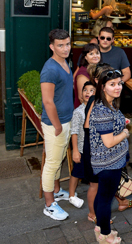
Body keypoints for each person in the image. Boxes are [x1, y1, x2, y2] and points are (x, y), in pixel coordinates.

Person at [89, 67, 130, 243]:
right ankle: (105, 235)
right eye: (112, 84)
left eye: (119, 83)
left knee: (102, 196)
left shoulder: (109, 103)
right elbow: (109, 142)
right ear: (103, 87)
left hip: (112, 161)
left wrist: (120, 123)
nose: (117, 87)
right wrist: (125, 133)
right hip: (108, 163)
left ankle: (99, 227)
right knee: (106, 200)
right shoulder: (102, 110)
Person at [40, 29, 74, 221]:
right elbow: (48, 101)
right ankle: (49, 205)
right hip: (56, 123)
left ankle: (56, 190)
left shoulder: (65, 62)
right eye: (60, 45)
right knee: (52, 163)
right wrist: (57, 125)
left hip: (65, 120)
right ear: (52, 46)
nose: (65, 48)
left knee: (59, 158)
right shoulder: (50, 69)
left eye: (67, 44)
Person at [68, 81, 96, 210]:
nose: (87, 92)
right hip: (81, 148)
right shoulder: (78, 112)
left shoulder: (97, 109)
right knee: (77, 172)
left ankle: (94, 191)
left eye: (91, 90)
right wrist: (75, 151)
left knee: (91, 173)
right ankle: (72, 195)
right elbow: (74, 132)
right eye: (85, 90)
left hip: (93, 149)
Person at [74, 43, 100, 108]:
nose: (95, 56)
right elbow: (82, 98)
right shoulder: (83, 73)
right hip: (85, 112)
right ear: (85, 57)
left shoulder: (97, 69)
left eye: (97, 53)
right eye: (91, 54)